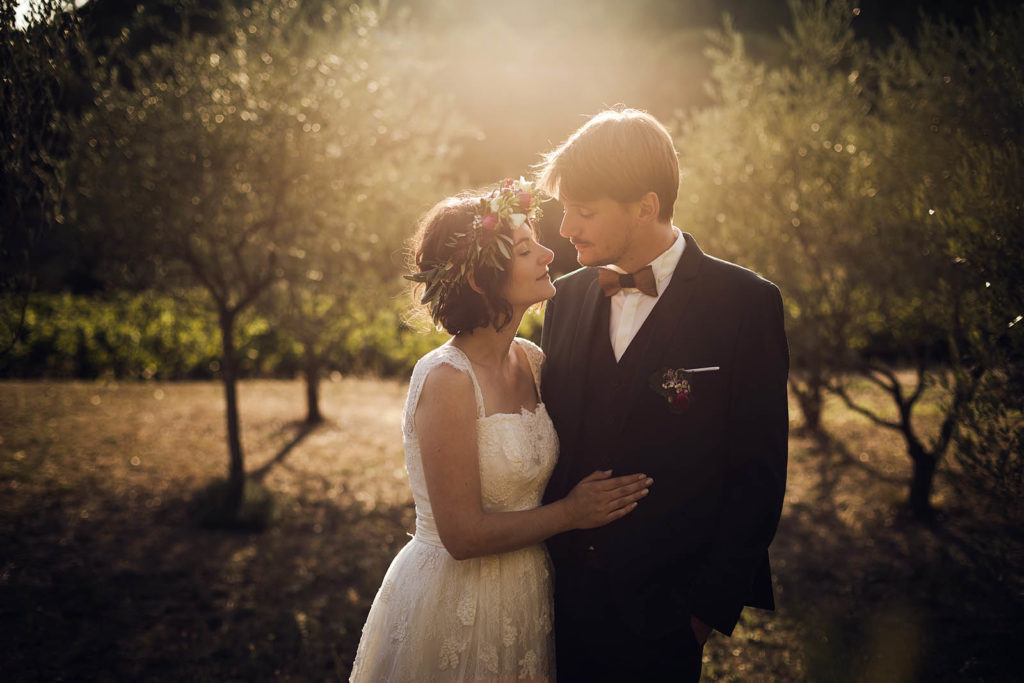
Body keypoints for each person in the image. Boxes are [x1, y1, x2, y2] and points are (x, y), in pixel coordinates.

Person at [349, 178, 652, 683]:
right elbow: (462, 535)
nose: (550, 254)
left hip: (527, 593)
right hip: (455, 601)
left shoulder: (532, 362)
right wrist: (572, 513)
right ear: (478, 279)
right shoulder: (448, 379)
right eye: (527, 250)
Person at [537, 108, 790, 681]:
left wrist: (704, 611)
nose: (566, 228)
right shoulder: (564, 298)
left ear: (645, 206)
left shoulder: (746, 304)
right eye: (564, 210)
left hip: (667, 614)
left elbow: (758, 468)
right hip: (559, 601)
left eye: (585, 211)